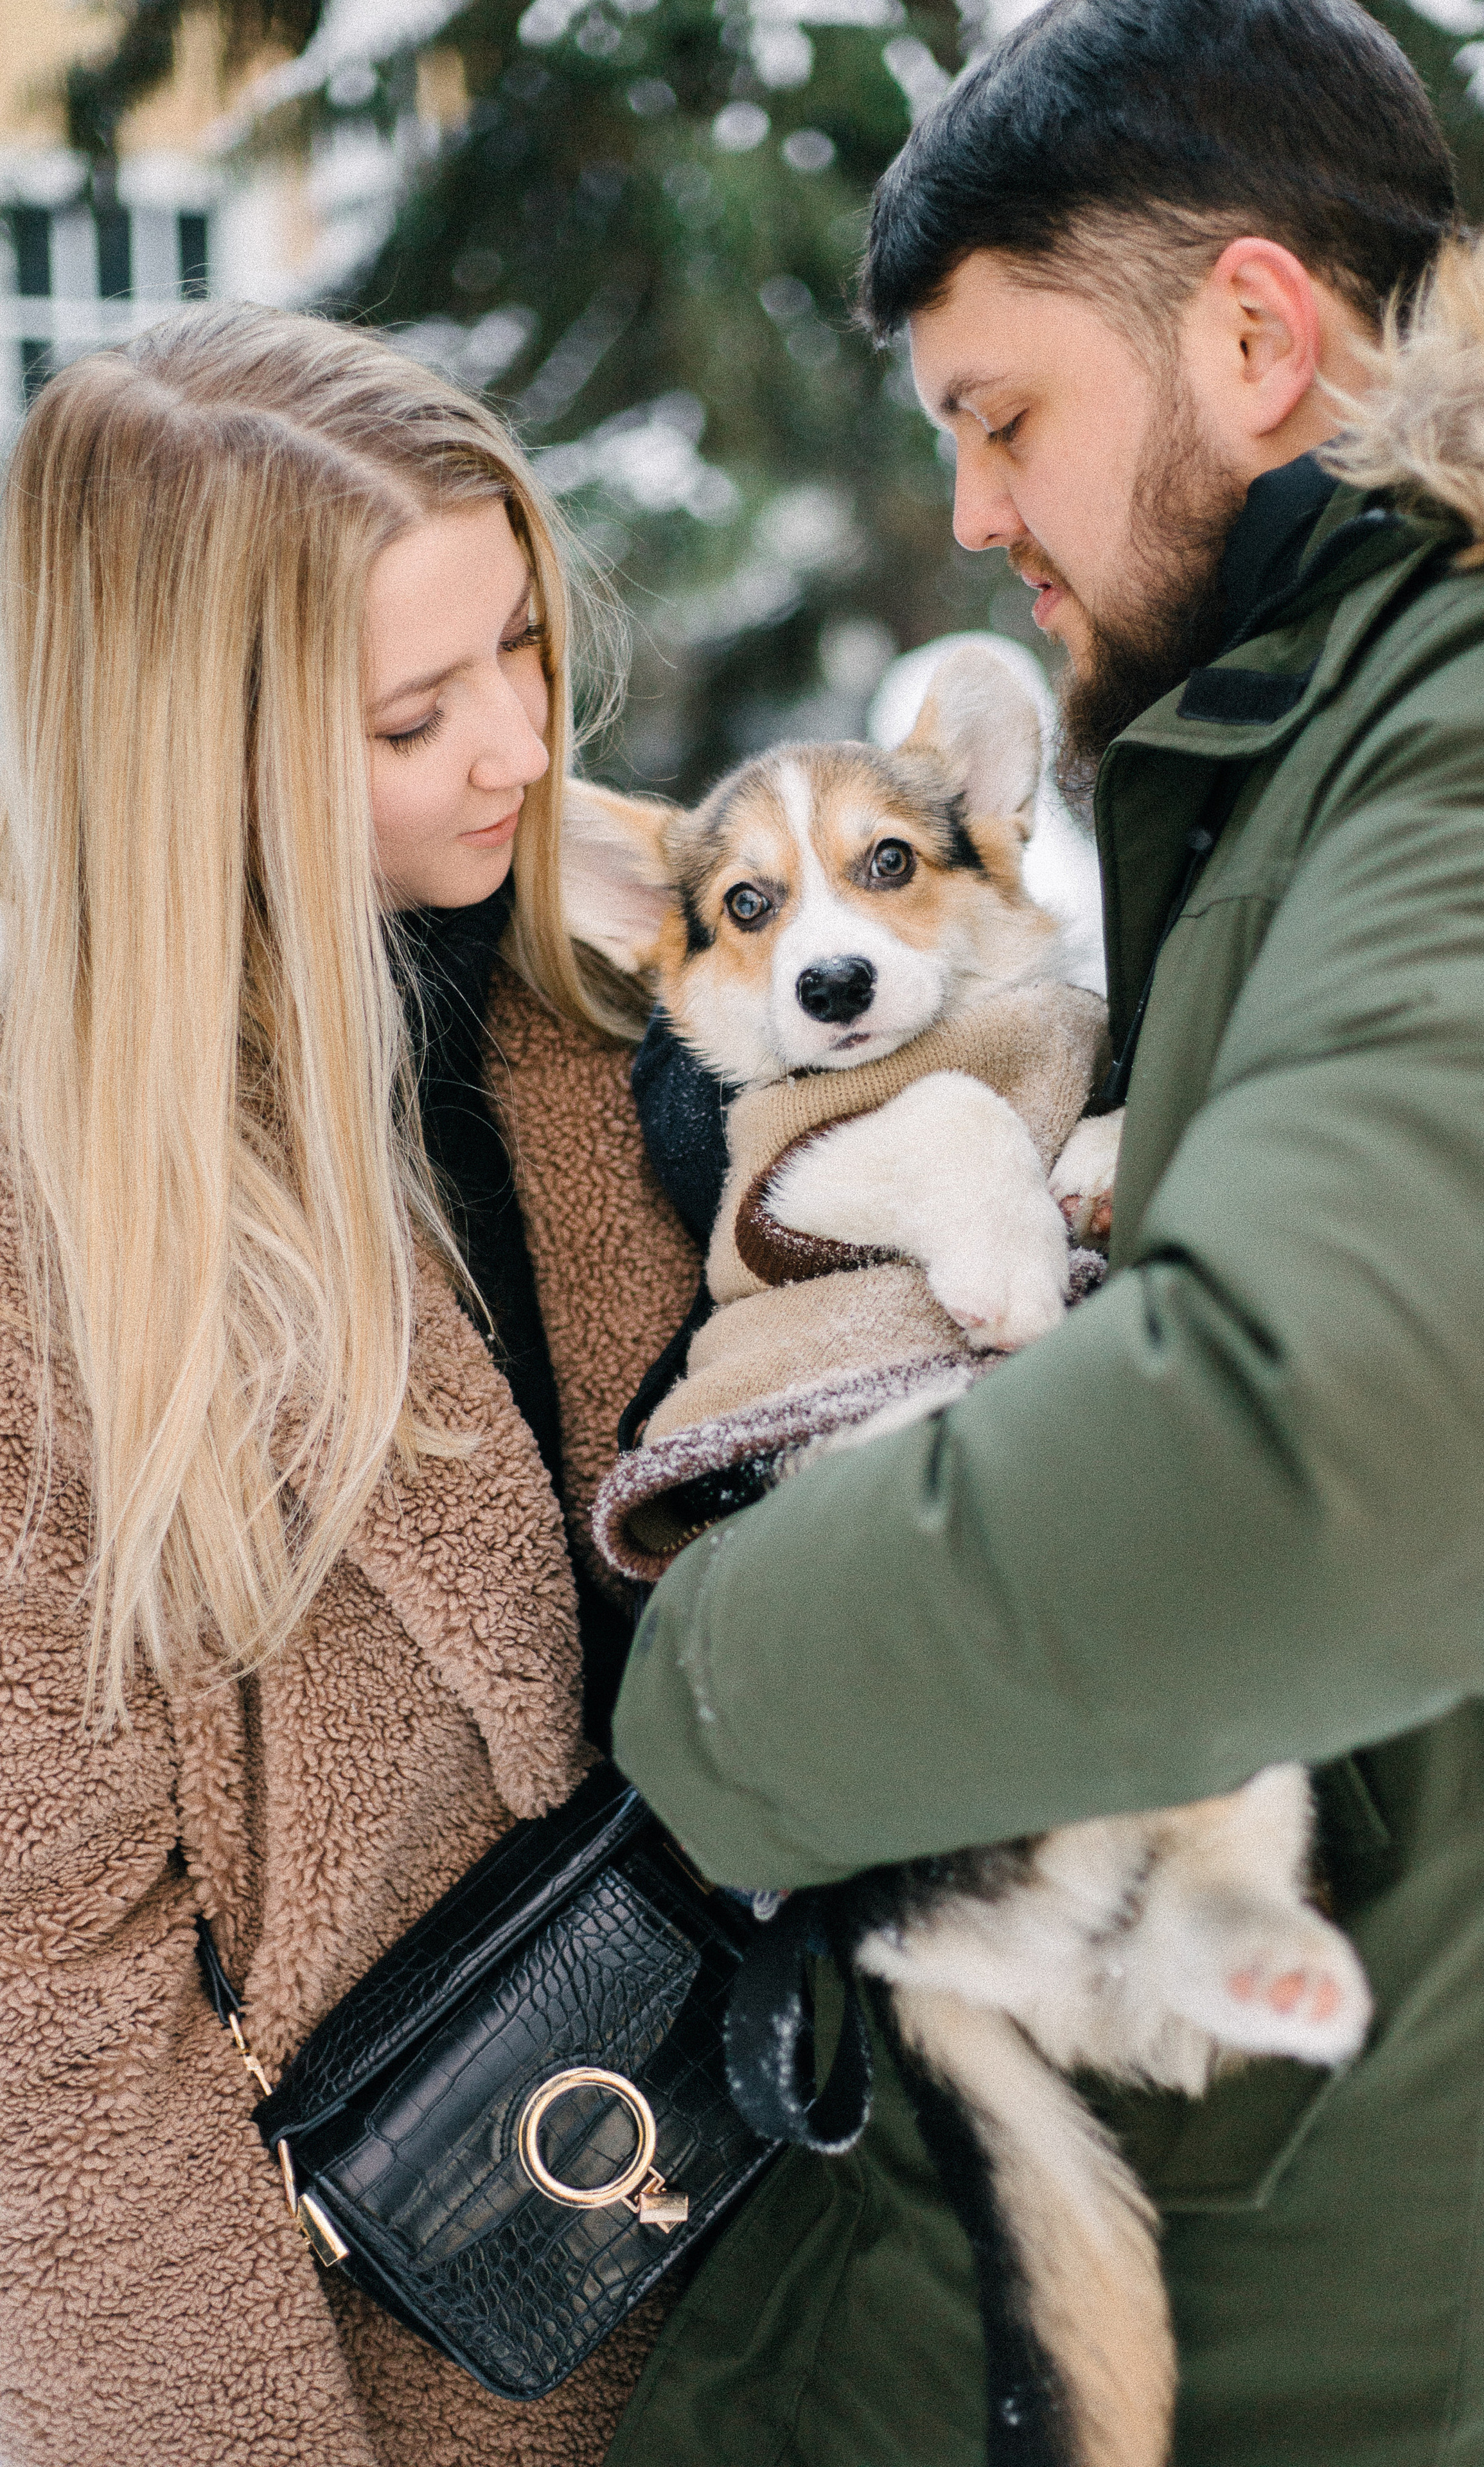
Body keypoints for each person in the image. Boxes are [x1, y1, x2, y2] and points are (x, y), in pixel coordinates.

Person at [608, 3, 1484, 2462]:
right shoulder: (1335, 708)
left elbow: (1338, 1449)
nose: (972, 511)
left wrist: (723, 1690)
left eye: (1005, 416)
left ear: (1258, 336)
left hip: (1346, 2317)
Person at [0, 305, 700, 2465]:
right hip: (417, 2357)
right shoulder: (64, 1244)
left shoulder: (643, 985)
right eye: (415, 713)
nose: (514, 743)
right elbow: (54, 2028)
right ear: (191, 752)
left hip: (792, 2252)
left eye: (522, 647)